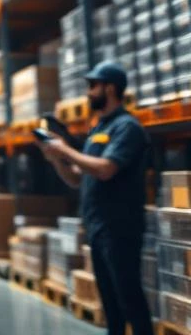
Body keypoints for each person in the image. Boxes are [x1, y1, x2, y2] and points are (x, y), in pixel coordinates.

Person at [37, 61, 153, 335]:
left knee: (129, 298)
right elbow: (77, 177)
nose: (88, 92)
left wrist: (65, 149)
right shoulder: (99, 129)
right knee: (110, 304)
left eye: (93, 86)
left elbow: (105, 169)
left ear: (109, 89)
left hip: (120, 226)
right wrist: (56, 158)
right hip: (97, 227)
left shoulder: (127, 128)